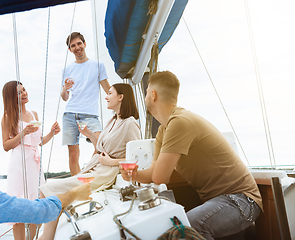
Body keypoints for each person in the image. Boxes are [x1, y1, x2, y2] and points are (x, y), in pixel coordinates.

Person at [120, 71, 263, 240]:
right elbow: (153, 173)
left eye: (146, 93)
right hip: (219, 203)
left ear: (153, 94)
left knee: (186, 228)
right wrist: (134, 174)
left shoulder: (180, 122)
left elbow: (160, 177)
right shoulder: (163, 130)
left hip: (241, 201)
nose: (144, 98)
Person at [39, 83, 140, 240]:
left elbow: (136, 158)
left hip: (104, 174)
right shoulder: (113, 121)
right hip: (94, 168)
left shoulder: (130, 123)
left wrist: (111, 162)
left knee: (45, 190)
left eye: (110, 93)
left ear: (121, 97)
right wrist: (89, 134)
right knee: (50, 195)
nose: (106, 96)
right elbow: (102, 145)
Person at [1, 81, 61, 240]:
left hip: (35, 163)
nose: (24, 93)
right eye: (19, 93)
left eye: (24, 89)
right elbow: (6, 145)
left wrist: (52, 133)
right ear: (11, 98)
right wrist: (24, 132)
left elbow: (39, 141)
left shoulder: (34, 114)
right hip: (19, 164)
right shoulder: (8, 116)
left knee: (37, 205)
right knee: (18, 207)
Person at [61, 31, 111, 176]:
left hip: (90, 114)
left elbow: (108, 89)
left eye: (79, 43)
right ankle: (77, 185)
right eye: (73, 46)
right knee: (73, 154)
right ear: (70, 50)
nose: (77, 47)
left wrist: (121, 101)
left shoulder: (98, 65)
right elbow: (64, 97)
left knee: (100, 145)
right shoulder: (67, 69)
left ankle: (87, 174)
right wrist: (65, 89)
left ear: (84, 44)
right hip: (70, 114)